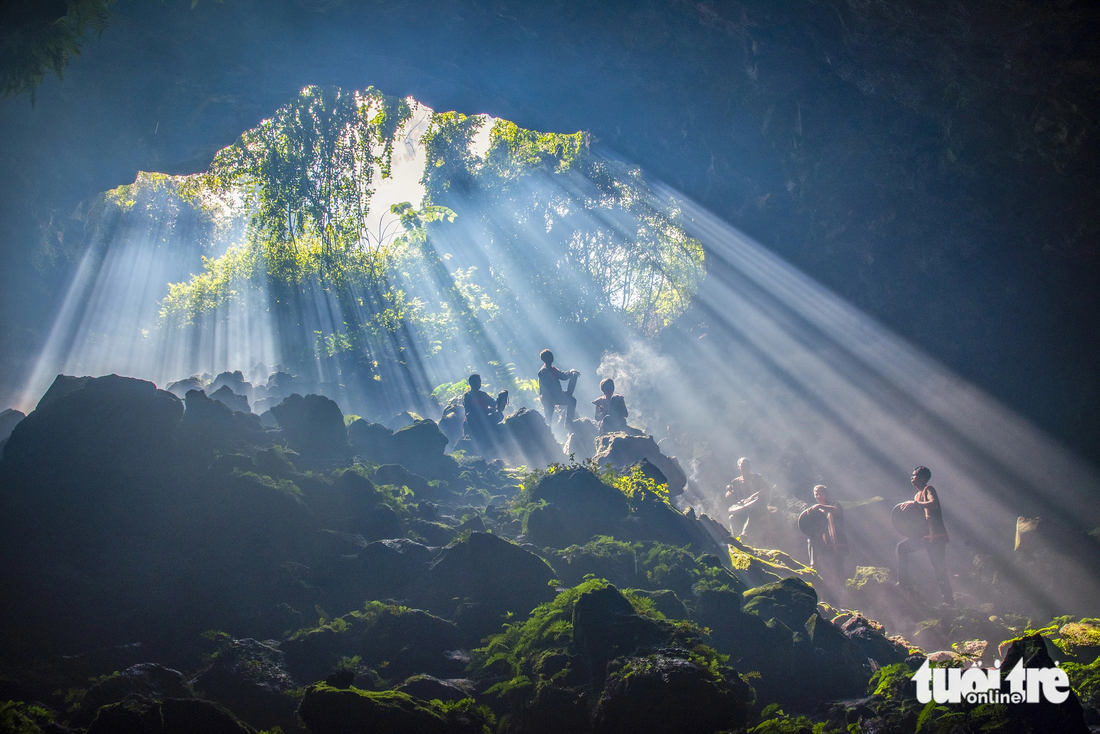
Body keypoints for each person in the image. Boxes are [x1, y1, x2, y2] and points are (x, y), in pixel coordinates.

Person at [896, 466, 954, 606]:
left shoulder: (929, 489)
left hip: (937, 536)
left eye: (914, 475)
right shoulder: (917, 495)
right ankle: (904, 583)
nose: (912, 477)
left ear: (922, 478)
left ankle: (948, 601)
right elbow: (919, 518)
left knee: (938, 566)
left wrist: (915, 504)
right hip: (925, 536)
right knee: (902, 547)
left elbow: (934, 504)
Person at [805, 485, 848, 583]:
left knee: (838, 570)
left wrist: (821, 506)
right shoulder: (816, 511)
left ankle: (843, 591)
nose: (818, 496)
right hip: (824, 544)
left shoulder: (835, 504)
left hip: (836, 543)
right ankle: (813, 564)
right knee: (811, 540)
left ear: (826, 494)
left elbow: (836, 511)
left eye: (821, 494)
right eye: (816, 494)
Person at [725, 457, 772, 540]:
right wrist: (729, 494)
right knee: (732, 517)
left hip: (758, 507)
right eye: (742, 466)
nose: (744, 468)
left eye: (746, 465)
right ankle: (735, 539)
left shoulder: (756, 478)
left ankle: (745, 535)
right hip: (743, 510)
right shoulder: (736, 482)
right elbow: (732, 495)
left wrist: (753, 496)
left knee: (752, 512)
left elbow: (766, 488)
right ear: (738, 467)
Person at [537, 349, 579, 425]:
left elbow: (563, 376)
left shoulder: (552, 369)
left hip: (555, 396)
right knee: (549, 418)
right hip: (548, 398)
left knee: (572, 401)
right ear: (545, 359)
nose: (552, 358)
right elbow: (548, 387)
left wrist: (571, 372)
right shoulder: (544, 371)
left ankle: (569, 422)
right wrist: (560, 394)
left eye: (552, 356)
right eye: (550, 356)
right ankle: (548, 433)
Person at [462, 373, 502, 442]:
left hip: (485, 419)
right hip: (473, 421)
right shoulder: (467, 396)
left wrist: (501, 399)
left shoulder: (483, 394)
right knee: (471, 416)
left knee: (499, 415)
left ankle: (489, 430)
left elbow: (493, 404)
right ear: (471, 383)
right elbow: (471, 411)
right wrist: (488, 410)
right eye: (477, 382)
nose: (479, 383)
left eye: (479, 381)